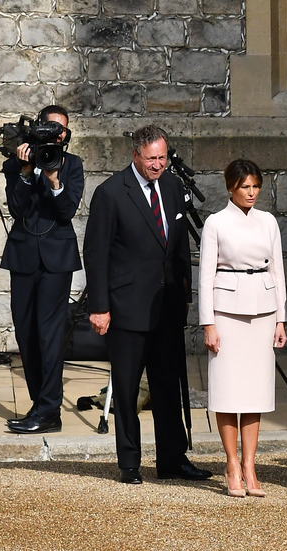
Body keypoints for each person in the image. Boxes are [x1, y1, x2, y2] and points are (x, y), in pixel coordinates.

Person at [83, 124, 212, 485]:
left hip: (167, 305)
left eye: (163, 157)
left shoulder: (172, 186)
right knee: (126, 389)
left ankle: (173, 459)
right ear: (135, 155)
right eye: (151, 158)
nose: (158, 165)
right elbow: (96, 254)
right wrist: (99, 306)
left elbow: (179, 245)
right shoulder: (110, 193)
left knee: (168, 386)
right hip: (126, 307)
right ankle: (129, 463)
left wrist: (185, 291)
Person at [198, 159, 287, 497]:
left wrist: (281, 319)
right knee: (227, 390)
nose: (251, 192)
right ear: (231, 188)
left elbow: (278, 271)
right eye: (245, 186)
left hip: (263, 311)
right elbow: (205, 276)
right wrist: (209, 323)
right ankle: (232, 463)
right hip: (226, 312)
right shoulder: (215, 223)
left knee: (255, 393)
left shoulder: (268, 221)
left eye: (255, 186)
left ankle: (250, 465)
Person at [1, 104, 84, 434]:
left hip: (56, 260)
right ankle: (42, 406)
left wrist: (52, 178)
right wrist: (24, 172)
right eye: (52, 127)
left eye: (62, 129)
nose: (57, 134)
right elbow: (16, 209)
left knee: (49, 335)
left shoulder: (71, 165)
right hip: (23, 257)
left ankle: (49, 408)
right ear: (39, 127)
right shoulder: (15, 163)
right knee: (26, 333)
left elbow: (67, 210)